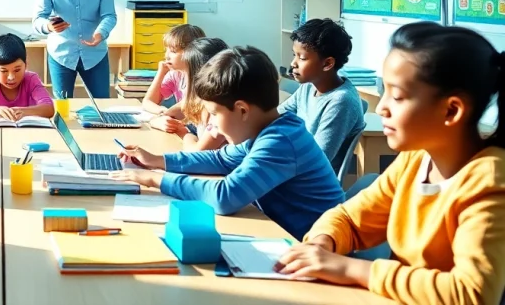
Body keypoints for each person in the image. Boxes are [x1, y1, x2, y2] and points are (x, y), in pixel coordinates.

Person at [278, 23, 505, 304]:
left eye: (397, 96)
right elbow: (349, 218)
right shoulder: (416, 159)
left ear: (451, 110)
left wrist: (352, 269)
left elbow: (472, 294)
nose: (382, 107)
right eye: (383, 91)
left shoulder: (490, 180)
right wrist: (322, 243)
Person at [113, 46, 344, 240]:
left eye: (214, 114)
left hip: (313, 249)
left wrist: (155, 179)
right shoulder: (264, 130)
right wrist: (157, 160)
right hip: (286, 235)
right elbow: (220, 159)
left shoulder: (280, 141)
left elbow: (225, 197)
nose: (212, 124)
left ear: (242, 110)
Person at [279, 18, 365, 168]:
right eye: (294, 55)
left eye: (302, 57)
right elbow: (274, 117)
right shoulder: (308, 86)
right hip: (293, 164)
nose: (293, 63)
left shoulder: (341, 101)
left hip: (308, 177)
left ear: (327, 63)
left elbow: (316, 158)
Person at [150, 37, 228, 152]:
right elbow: (162, 116)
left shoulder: (220, 109)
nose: (182, 76)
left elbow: (197, 152)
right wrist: (161, 122)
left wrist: (185, 134)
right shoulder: (196, 100)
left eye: (185, 71)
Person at [0, 33, 53, 120]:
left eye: (17, 70)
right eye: (4, 71)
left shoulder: (31, 79)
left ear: (26, 65)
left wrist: (24, 111)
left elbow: (49, 108)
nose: (11, 77)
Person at [141, 24, 206, 116]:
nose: (166, 56)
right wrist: (161, 73)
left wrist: (166, 114)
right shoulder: (175, 74)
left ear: (191, 52)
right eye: (166, 50)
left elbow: (185, 108)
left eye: (173, 51)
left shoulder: (202, 78)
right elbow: (148, 102)